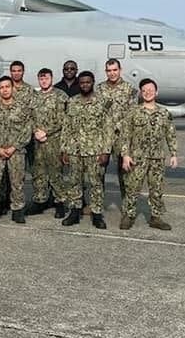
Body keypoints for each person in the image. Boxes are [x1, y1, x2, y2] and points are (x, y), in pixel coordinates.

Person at [120, 78, 179, 230]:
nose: (148, 93)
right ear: (141, 93)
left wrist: (173, 154)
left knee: (156, 189)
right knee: (132, 188)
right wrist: (126, 155)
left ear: (156, 92)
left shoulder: (164, 113)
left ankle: (156, 217)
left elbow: (170, 134)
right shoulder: (133, 112)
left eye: (151, 90)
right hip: (137, 158)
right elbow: (125, 135)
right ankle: (129, 215)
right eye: (144, 90)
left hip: (157, 158)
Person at [61, 71, 110, 229]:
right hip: (75, 150)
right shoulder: (72, 101)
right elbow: (66, 127)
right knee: (74, 182)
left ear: (93, 82)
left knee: (96, 184)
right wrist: (64, 150)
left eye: (88, 82)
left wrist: (106, 151)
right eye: (82, 83)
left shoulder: (101, 102)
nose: (85, 85)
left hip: (95, 150)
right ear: (78, 84)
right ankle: (74, 212)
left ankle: (97, 214)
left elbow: (107, 128)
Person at [0, 76, 32, 224]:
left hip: (16, 151)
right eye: (2, 87)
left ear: (12, 88)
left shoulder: (22, 107)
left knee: (17, 182)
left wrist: (14, 147)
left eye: (7, 87)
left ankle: (18, 211)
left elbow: (27, 129)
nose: (5, 90)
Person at [30, 67, 70, 218]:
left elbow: (63, 120)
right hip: (37, 142)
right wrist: (36, 131)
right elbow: (30, 117)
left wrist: (46, 132)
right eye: (41, 78)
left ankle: (59, 202)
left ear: (52, 78)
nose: (44, 81)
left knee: (55, 173)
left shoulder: (60, 96)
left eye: (46, 78)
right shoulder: (35, 97)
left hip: (53, 141)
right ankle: (40, 201)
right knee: (38, 173)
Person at [98, 58, 138, 202]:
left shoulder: (129, 89)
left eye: (115, 70)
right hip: (104, 137)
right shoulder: (99, 89)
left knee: (125, 174)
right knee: (98, 172)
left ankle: (127, 206)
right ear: (106, 72)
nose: (112, 73)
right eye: (109, 71)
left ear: (120, 70)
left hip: (122, 137)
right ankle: (97, 205)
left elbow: (133, 114)